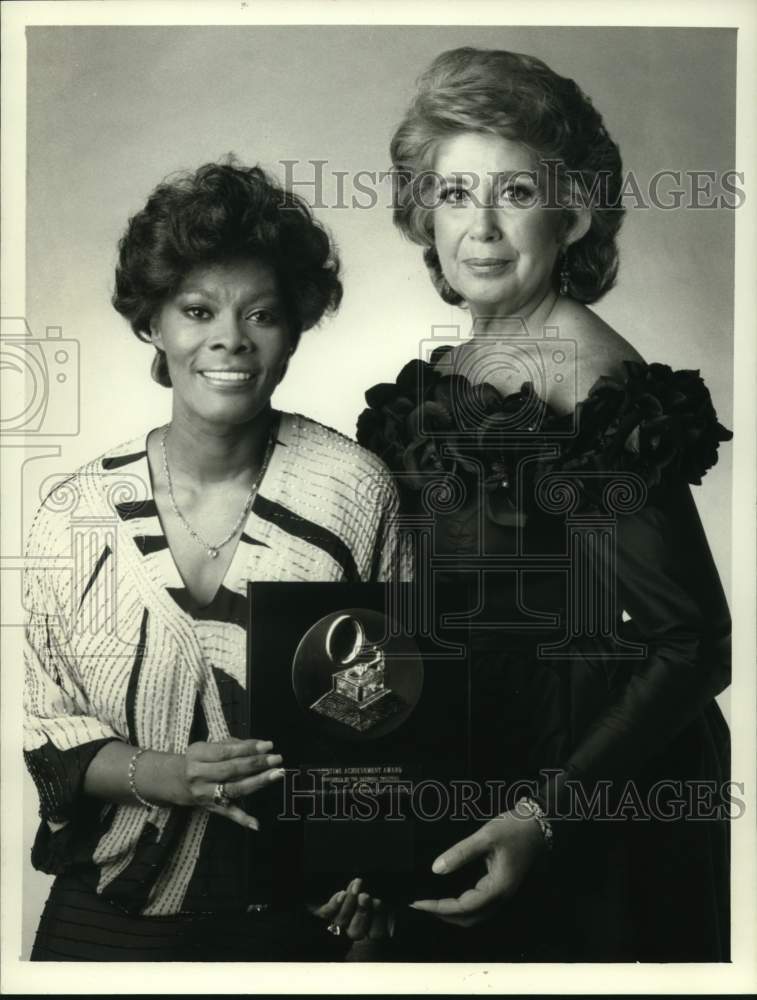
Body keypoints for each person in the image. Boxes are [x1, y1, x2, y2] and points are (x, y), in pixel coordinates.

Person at [357, 47, 732, 961]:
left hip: (583, 807)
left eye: (514, 194)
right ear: (422, 212)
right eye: (453, 195)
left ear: (570, 210)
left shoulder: (590, 375)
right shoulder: (461, 363)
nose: (480, 228)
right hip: (478, 777)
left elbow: (691, 644)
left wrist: (547, 815)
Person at [23, 160, 404, 960]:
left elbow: (393, 722)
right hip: (106, 914)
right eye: (197, 310)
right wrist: (165, 774)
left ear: (294, 328)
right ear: (154, 324)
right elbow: (39, 722)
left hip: (291, 922)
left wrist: (373, 878)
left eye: (261, 313)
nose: (230, 338)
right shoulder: (73, 511)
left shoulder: (352, 492)